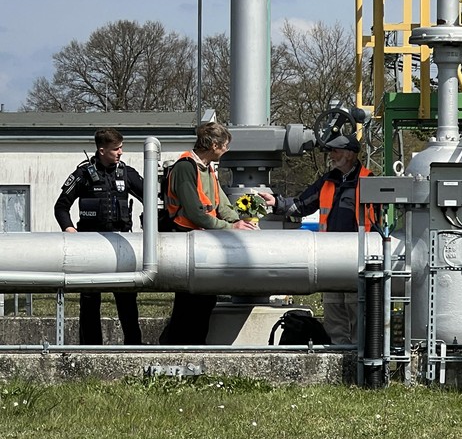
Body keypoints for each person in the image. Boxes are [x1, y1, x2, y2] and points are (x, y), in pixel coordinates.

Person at [260, 134, 372, 344]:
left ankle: (360, 364)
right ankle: (338, 357)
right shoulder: (328, 181)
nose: (331, 155)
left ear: (350, 154)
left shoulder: (369, 180)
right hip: (330, 258)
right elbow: (303, 205)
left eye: (336, 151)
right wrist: (276, 202)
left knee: (359, 314)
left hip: (359, 259)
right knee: (334, 313)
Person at [159, 121, 257, 345]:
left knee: (204, 302)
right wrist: (231, 227)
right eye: (224, 145)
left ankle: (194, 346)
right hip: (187, 241)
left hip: (203, 241)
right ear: (213, 145)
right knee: (189, 303)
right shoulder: (186, 167)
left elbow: (220, 203)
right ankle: (178, 346)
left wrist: (240, 223)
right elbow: (195, 213)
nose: (226, 149)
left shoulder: (206, 168)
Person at [54, 128, 144, 345]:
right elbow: (61, 206)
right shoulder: (82, 175)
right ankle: (90, 348)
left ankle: (134, 346)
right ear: (101, 150)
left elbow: (151, 198)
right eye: (116, 149)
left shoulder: (127, 173)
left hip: (120, 246)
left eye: (121, 148)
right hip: (90, 247)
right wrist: (68, 229)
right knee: (90, 301)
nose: (120, 152)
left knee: (127, 302)